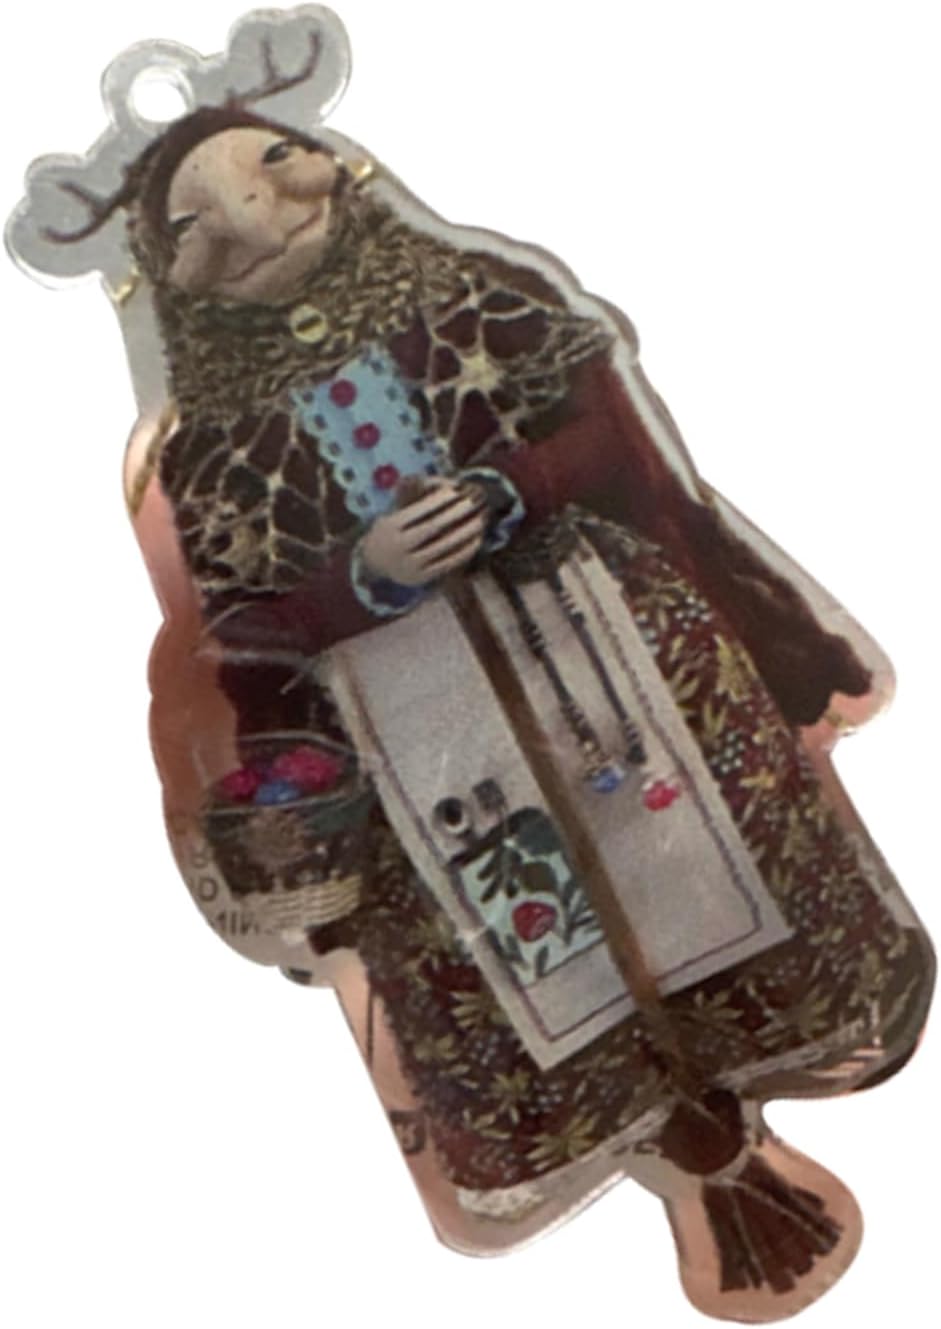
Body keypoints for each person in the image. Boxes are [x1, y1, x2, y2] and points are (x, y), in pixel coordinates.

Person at [59, 101, 933, 1320]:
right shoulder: (205, 450)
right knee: (519, 940)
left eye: (267, 171)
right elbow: (240, 624)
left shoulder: (478, 299)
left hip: (611, 659)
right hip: (415, 740)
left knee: (696, 862)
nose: (254, 221)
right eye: (200, 221)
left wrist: (503, 489)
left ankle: (740, 1116)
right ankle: (669, 1150)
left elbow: (608, 440)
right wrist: (362, 579)